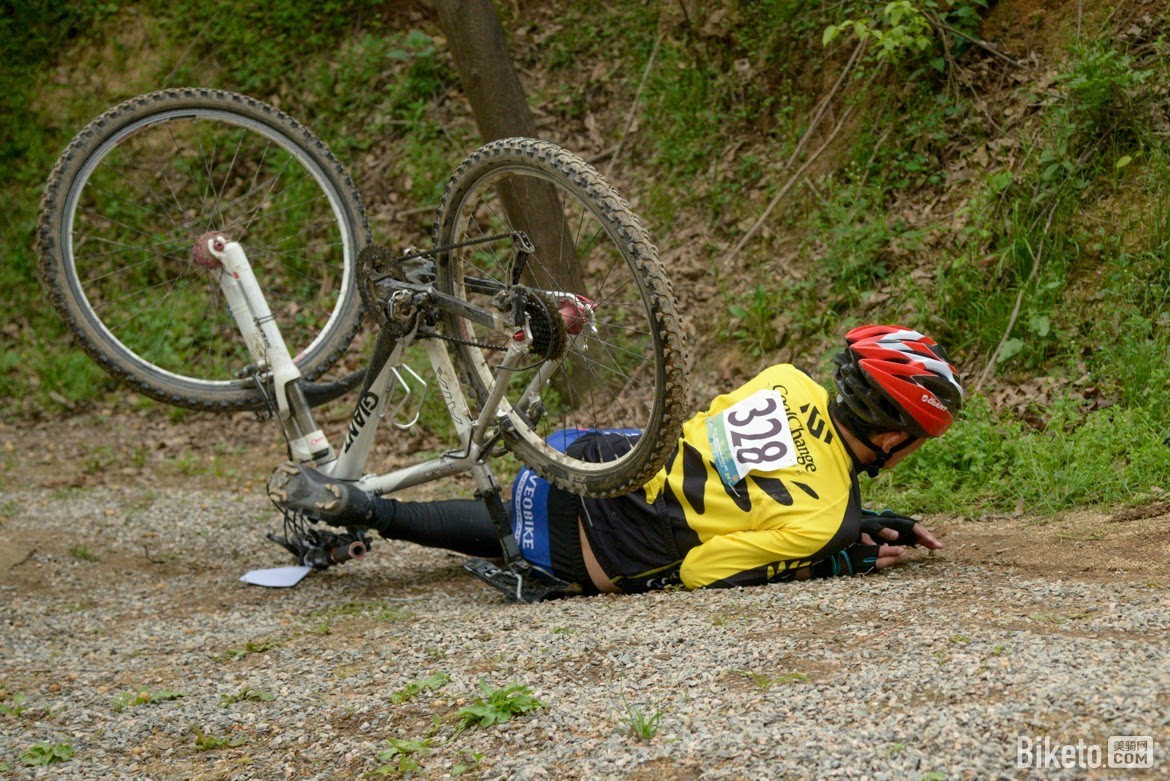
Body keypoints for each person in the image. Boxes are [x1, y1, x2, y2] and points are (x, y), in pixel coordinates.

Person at [267, 324, 963, 594]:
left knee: (547, 500)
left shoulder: (785, 379)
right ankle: (373, 511)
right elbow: (703, 570)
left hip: (584, 456)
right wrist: (832, 548)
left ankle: (363, 502)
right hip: (586, 545)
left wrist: (848, 515)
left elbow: (738, 455)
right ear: (896, 436)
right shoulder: (824, 516)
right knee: (583, 543)